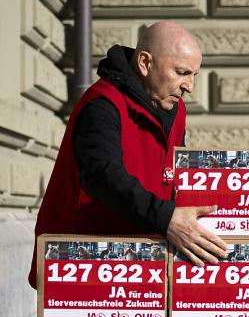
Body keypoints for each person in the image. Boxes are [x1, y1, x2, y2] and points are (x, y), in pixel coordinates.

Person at [28, 21, 227, 288]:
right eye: (181, 72)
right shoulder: (102, 103)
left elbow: (172, 175)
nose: (189, 86)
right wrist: (167, 218)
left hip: (138, 264)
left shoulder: (176, 110)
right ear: (145, 63)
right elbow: (101, 175)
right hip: (80, 266)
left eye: (194, 75)